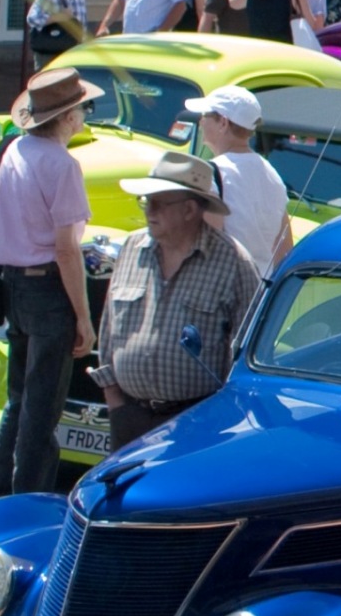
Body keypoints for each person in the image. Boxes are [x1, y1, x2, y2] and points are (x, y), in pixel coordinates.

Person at [0, 69, 100, 498]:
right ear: (67, 118)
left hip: (13, 287)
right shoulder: (62, 164)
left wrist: (17, 226)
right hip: (47, 289)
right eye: (81, 108)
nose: (84, 115)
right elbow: (65, 250)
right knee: (42, 409)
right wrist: (84, 316)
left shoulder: (9, 151)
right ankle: (27, 502)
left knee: (19, 399)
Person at [91, 152, 263, 451]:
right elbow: (109, 329)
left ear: (189, 210)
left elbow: (246, 350)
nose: (149, 210)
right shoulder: (133, 248)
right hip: (129, 415)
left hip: (195, 420)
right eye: (146, 201)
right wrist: (115, 401)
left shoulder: (233, 262)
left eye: (159, 202)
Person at [185, 84, 292, 275]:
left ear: (223, 123)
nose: (200, 122)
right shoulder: (274, 177)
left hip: (226, 292)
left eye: (205, 115)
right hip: (261, 293)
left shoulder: (212, 174)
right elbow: (284, 251)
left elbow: (207, 249)